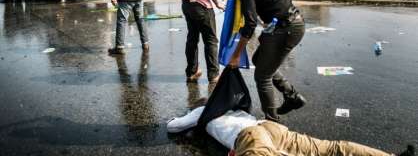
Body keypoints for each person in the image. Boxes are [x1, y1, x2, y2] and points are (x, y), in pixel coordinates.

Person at [167, 106, 415, 156]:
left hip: (251, 137)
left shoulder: (202, 111)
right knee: (333, 148)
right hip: (270, 128)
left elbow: (174, 126)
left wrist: (192, 114)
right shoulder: (235, 108)